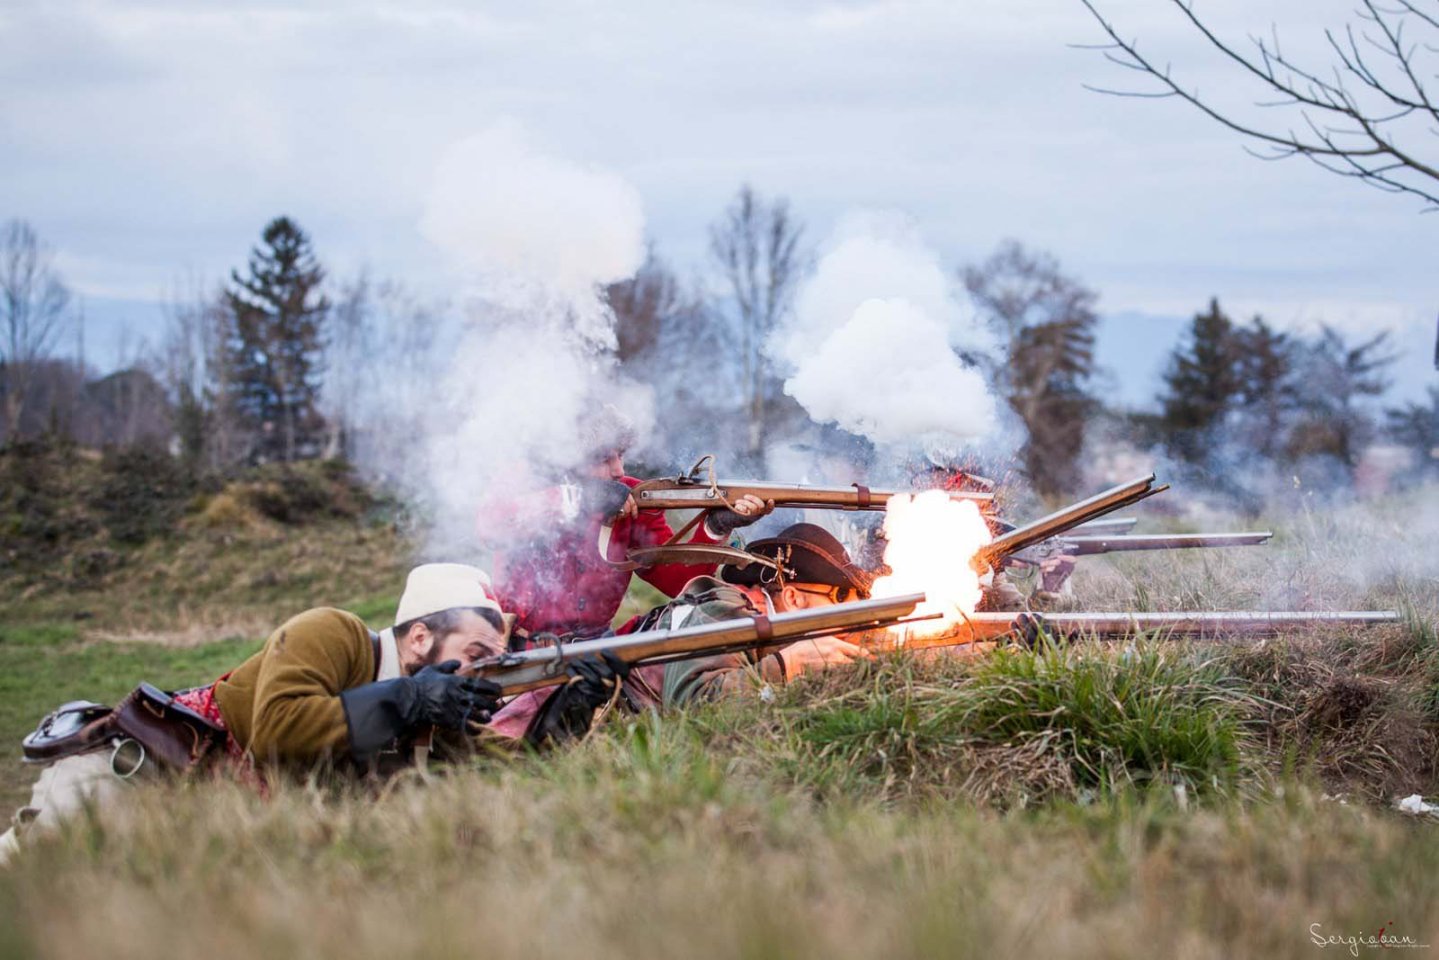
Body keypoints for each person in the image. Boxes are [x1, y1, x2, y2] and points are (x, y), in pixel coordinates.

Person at [0, 563, 619, 861]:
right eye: (476, 654)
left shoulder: (430, 713)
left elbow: (496, 783)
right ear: (420, 638)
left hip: (193, 826)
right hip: (129, 778)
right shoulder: (335, 633)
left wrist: (567, 712)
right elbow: (279, 732)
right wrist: (408, 700)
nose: (482, 672)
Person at [487, 523, 877, 740]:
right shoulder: (727, 611)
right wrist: (787, 667)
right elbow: (694, 705)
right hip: (544, 733)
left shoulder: (752, 616)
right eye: (840, 596)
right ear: (792, 596)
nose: (847, 608)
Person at [484, 405, 773, 644]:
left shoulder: (630, 497)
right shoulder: (529, 484)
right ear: (566, 460)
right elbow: (491, 525)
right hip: (520, 649)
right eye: (603, 459)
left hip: (598, 651)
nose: (618, 470)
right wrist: (580, 499)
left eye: (620, 455)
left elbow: (680, 584)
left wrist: (716, 526)